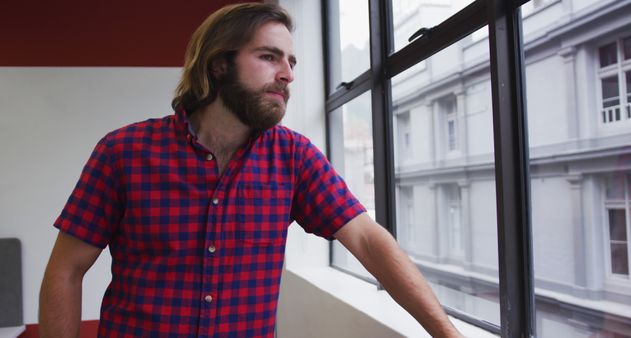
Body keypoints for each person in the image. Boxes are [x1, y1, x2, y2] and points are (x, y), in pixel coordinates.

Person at [39, 3, 461, 338]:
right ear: (218, 64)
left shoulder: (294, 157)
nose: (287, 75)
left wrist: (446, 334)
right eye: (268, 57)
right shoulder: (124, 152)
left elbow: (367, 240)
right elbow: (66, 269)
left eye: (291, 62)